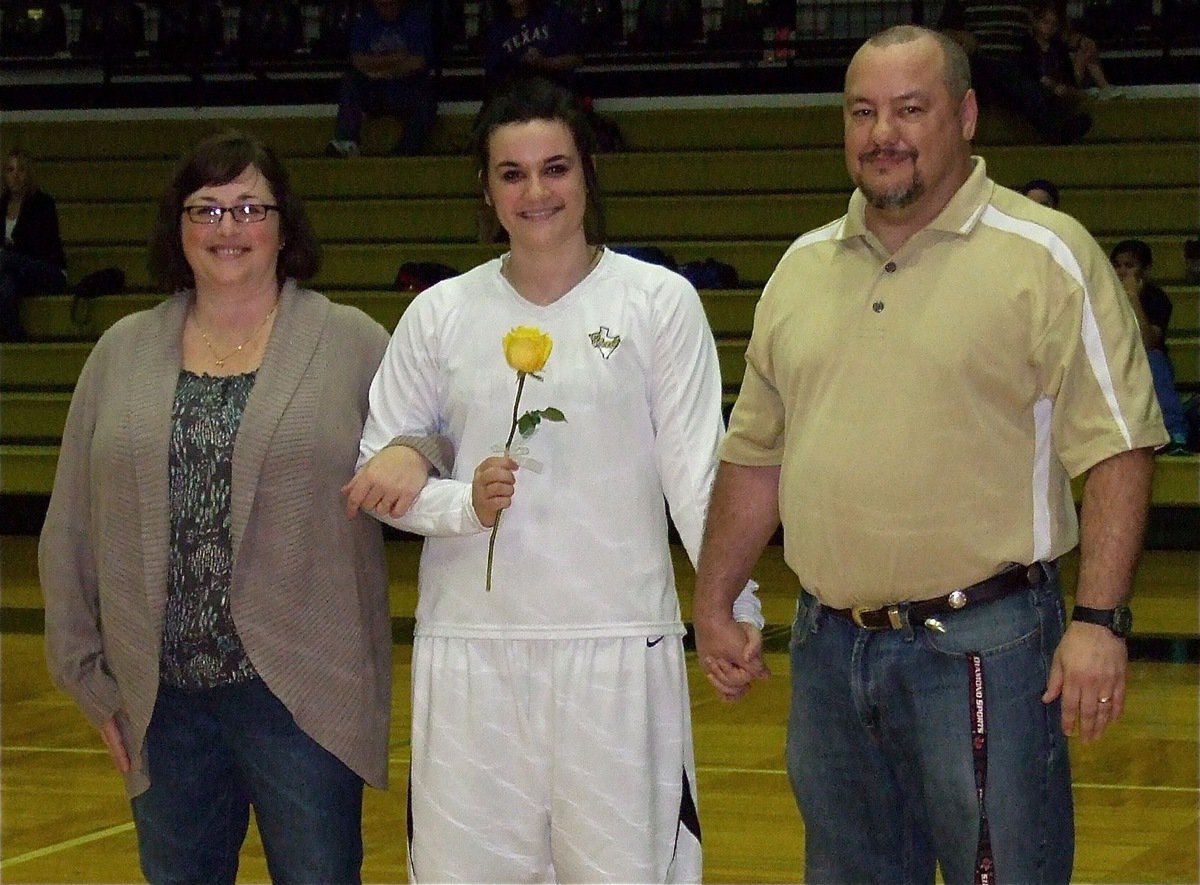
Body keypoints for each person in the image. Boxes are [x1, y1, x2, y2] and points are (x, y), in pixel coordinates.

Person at [694, 25, 1166, 884]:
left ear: (968, 115)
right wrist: (716, 596)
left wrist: (1099, 623)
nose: (884, 134)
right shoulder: (801, 269)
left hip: (988, 648)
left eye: (911, 110)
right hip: (829, 653)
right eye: (864, 112)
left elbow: (1120, 448)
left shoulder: (1049, 256)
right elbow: (756, 454)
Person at [343, 76, 764, 882]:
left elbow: (696, 475)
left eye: (556, 168)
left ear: (587, 174)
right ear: (486, 190)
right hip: (469, 653)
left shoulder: (658, 302)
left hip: (616, 646)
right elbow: (380, 481)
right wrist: (459, 503)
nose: (536, 191)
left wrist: (731, 604)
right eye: (512, 173)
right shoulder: (438, 313)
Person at [39, 130, 441, 883]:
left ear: (284, 225)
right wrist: (88, 678)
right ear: (179, 227)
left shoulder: (349, 340)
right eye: (208, 210)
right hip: (162, 704)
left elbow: (436, 429)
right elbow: (70, 527)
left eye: (251, 207)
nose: (230, 228)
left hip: (304, 699)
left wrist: (415, 451)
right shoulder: (120, 351)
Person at [939, 0, 1092, 144]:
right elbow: (940, 32)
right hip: (979, 71)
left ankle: (1052, 115)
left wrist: (1081, 41)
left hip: (1017, 69)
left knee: (1010, 72)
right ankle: (1054, 120)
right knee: (995, 68)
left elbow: (1048, 22)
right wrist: (960, 35)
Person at [326, 0, 437, 157]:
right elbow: (357, 60)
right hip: (373, 89)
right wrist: (397, 57)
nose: (387, 9)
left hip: (404, 90)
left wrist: (382, 71)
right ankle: (346, 141)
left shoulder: (416, 19)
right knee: (351, 82)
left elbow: (418, 61)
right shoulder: (365, 18)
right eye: (382, 5)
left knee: (427, 100)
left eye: (391, 4)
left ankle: (407, 150)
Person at [1110, 238, 1190, 454]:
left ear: (1145, 270)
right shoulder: (1104, 298)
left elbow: (1149, 341)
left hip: (1147, 360)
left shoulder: (1156, 298)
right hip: (1115, 360)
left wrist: (1133, 297)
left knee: (1153, 359)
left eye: (1130, 266)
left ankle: (1175, 434)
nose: (1122, 272)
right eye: (1117, 265)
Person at [1, 147, 68, 341]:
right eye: (10, 170)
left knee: (3, 259)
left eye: (21, 170)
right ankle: (17, 339)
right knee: (6, 287)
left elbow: (40, 247)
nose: (16, 176)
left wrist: (10, 250)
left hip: (48, 270)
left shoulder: (43, 204)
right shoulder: (1, 205)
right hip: (13, 273)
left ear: (28, 174)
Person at [482, 0, 584, 97]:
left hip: (557, 97)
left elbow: (576, 59)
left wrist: (544, 62)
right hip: (516, 102)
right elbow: (493, 75)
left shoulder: (554, 15)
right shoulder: (496, 30)